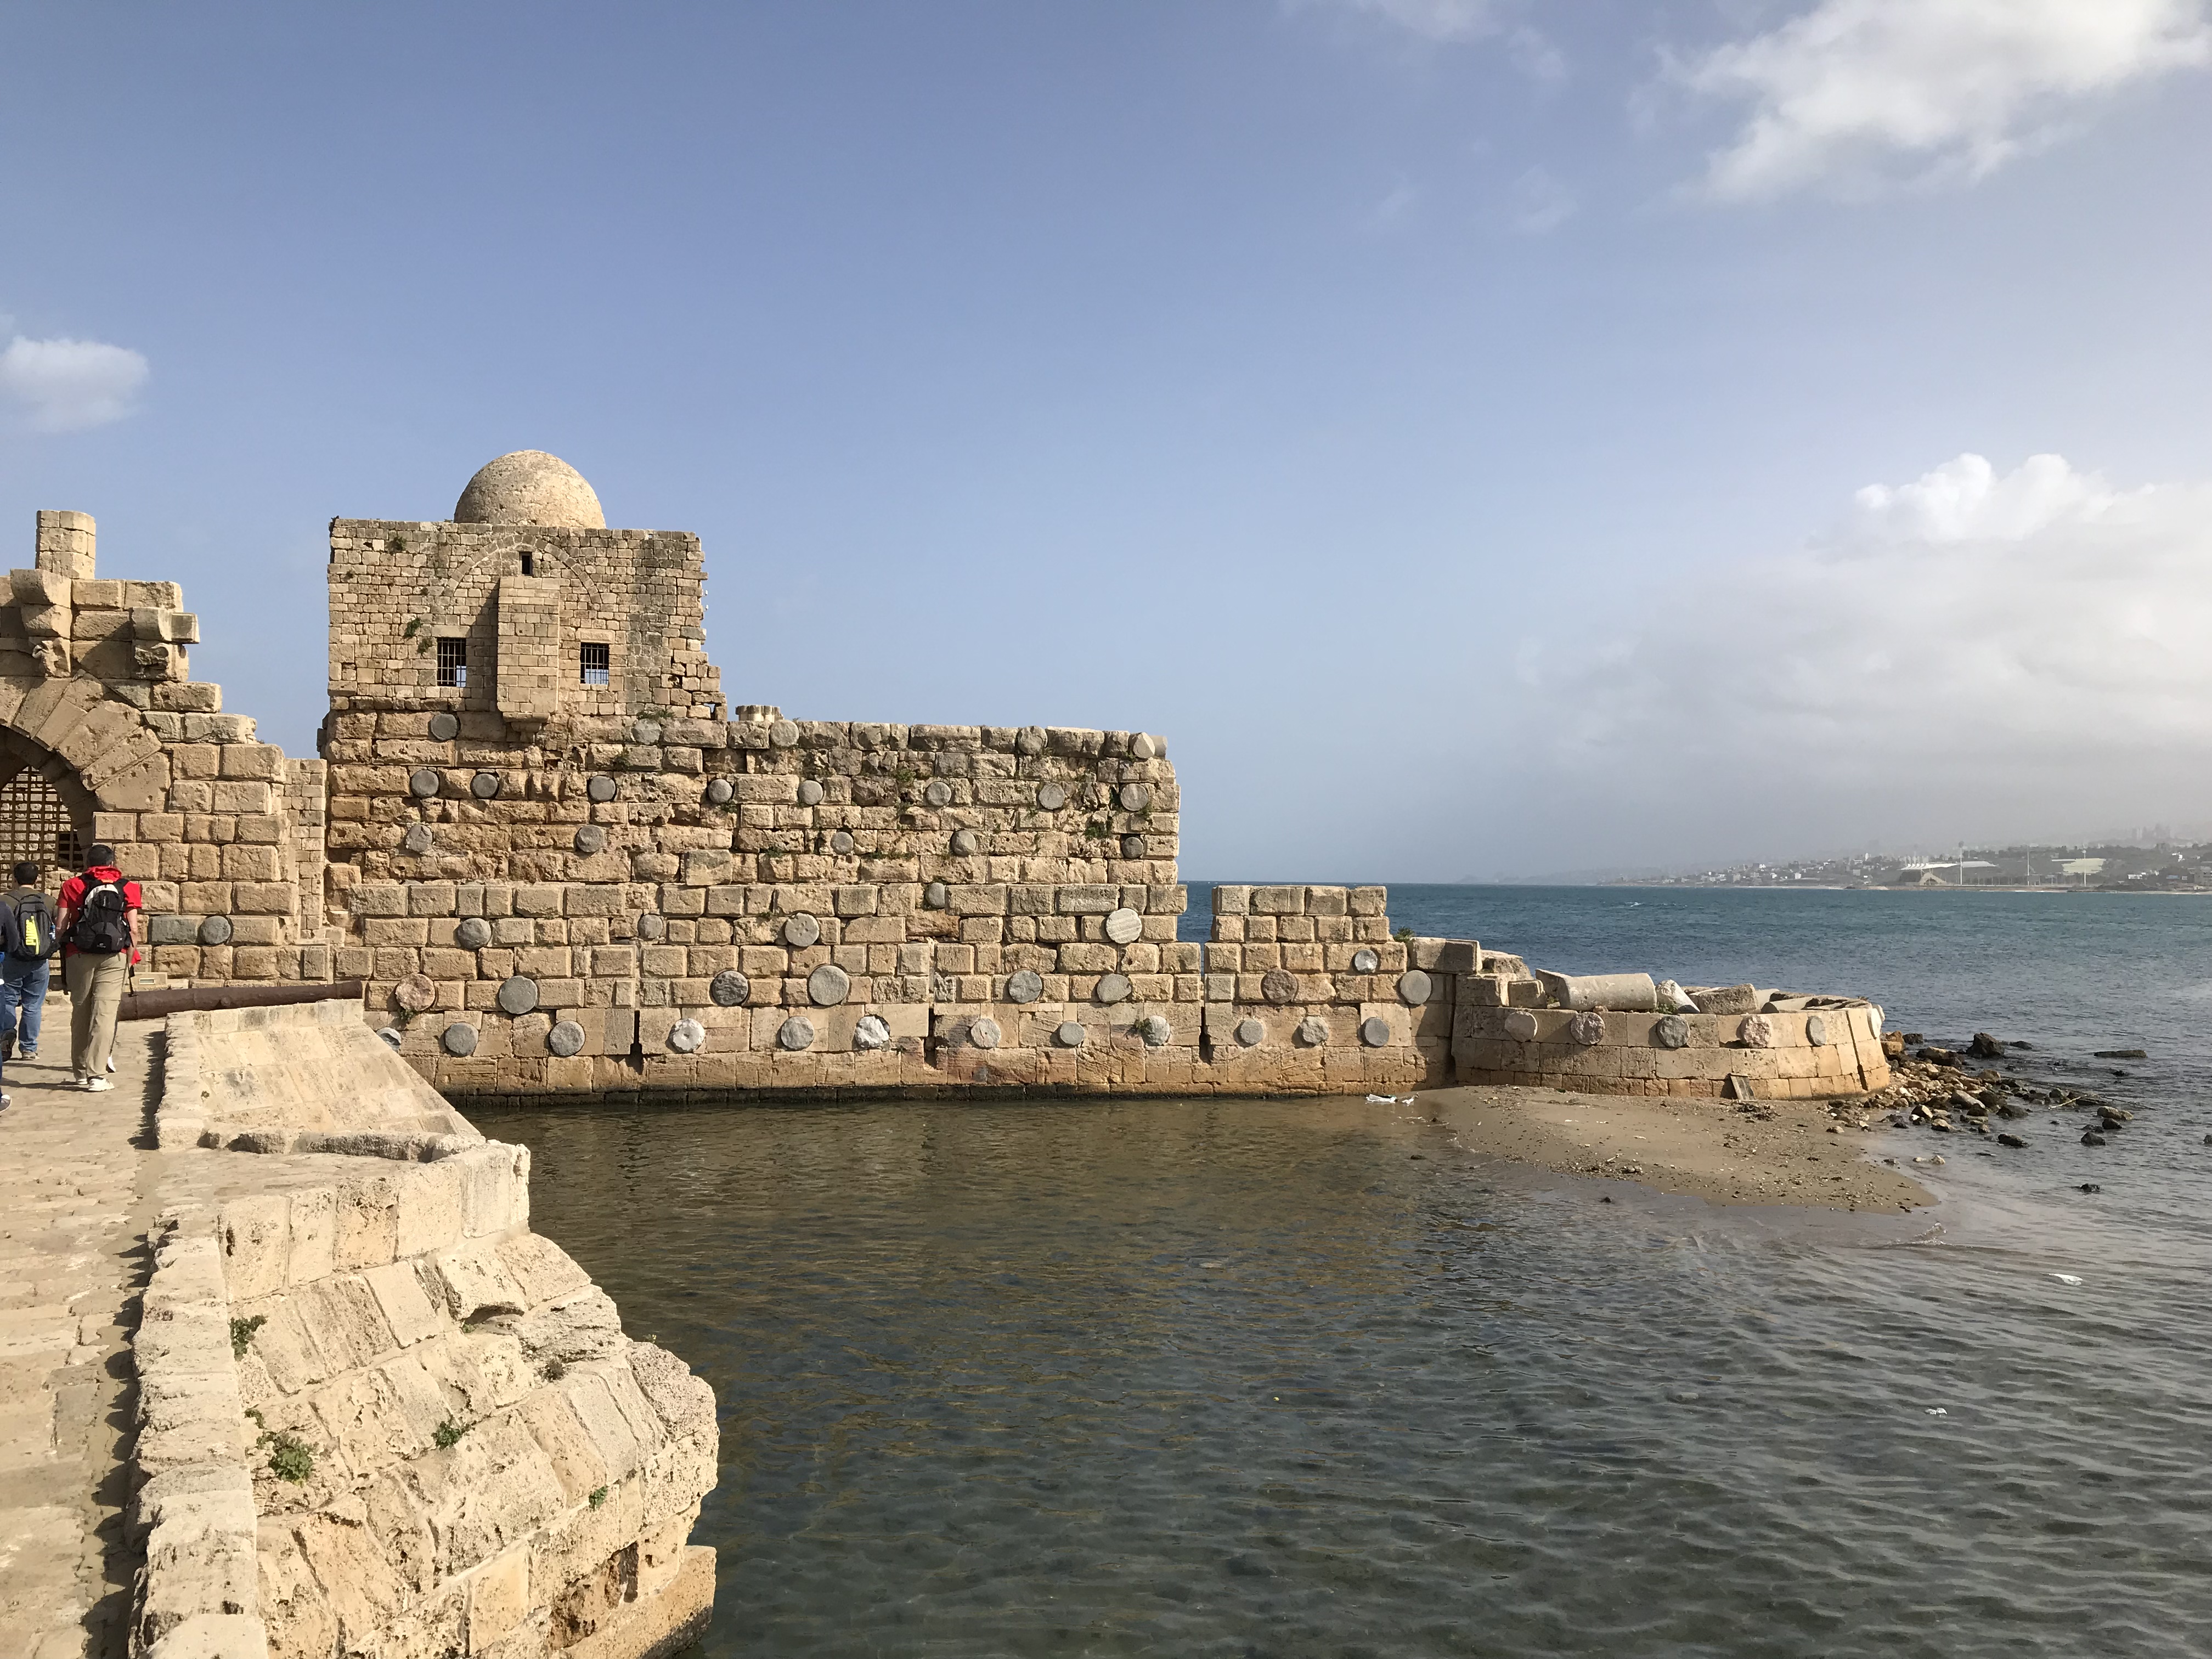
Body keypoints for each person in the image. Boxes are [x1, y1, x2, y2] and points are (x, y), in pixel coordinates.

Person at [55, 844, 142, 1092]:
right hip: (115, 955)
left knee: (81, 1010)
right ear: (112, 863)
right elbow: (133, 928)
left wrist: (60, 945)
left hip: (79, 953)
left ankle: (80, 1073)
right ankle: (97, 1075)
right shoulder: (128, 887)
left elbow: (61, 924)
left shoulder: (72, 886)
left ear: (87, 863)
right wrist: (132, 953)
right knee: (105, 1013)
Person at [0, 860, 58, 1062]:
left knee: (7, 1000)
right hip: (39, 959)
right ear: (37, 879)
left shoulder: (5, 900)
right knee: (33, 1005)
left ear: (14, 879)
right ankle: (29, 1049)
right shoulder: (48, 901)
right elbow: (56, 928)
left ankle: (6, 1037)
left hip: (12, 957)